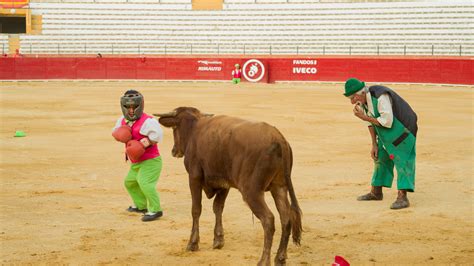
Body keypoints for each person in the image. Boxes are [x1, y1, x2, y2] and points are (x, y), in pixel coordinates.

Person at [343, 78, 418, 209]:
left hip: (404, 130)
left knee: (402, 160)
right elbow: (370, 123)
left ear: (360, 93)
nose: (352, 102)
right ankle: (376, 192)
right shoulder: (364, 101)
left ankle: (402, 197)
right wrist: (374, 144)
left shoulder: (380, 96)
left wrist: (363, 117)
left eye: (353, 97)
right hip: (386, 132)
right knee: (380, 156)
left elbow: (387, 121)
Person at [112, 90, 164, 221]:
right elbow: (115, 132)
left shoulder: (148, 121)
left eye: (134, 107)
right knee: (130, 182)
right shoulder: (122, 120)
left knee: (145, 183)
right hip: (136, 162)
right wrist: (119, 134)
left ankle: (156, 210)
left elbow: (157, 136)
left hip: (151, 160)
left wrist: (142, 144)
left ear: (140, 105)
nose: (131, 110)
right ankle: (141, 206)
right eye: (128, 107)